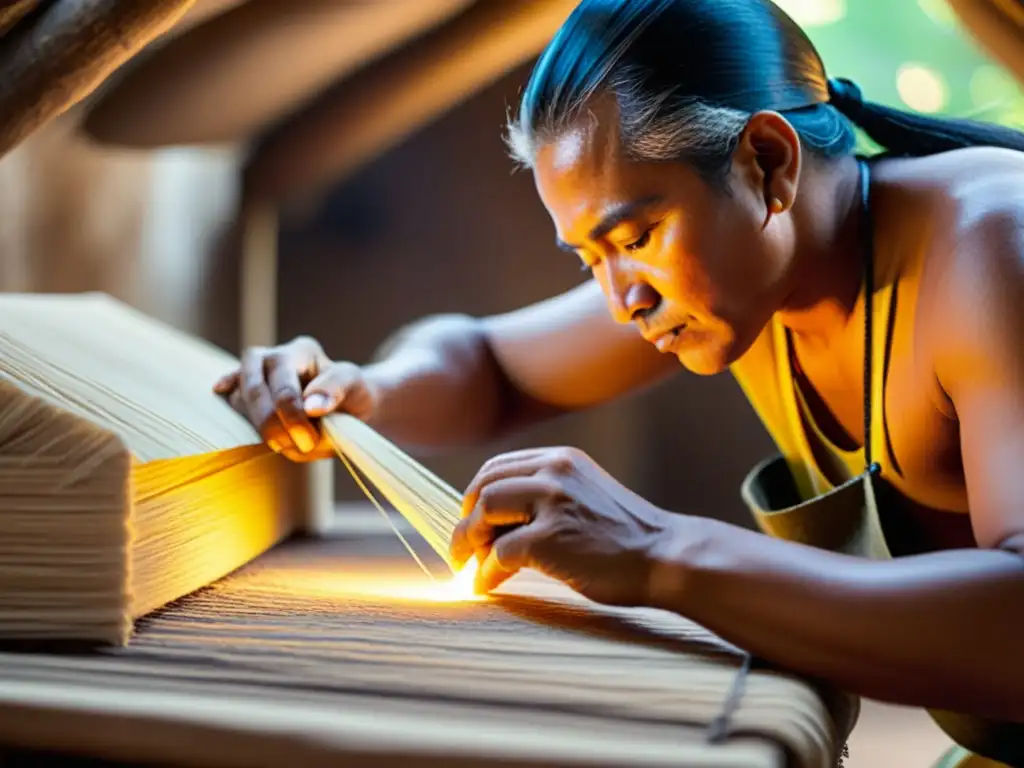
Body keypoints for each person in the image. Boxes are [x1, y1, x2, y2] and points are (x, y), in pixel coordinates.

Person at [214, 0, 1024, 764]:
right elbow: (491, 365)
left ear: (767, 163)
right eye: (590, 258)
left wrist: (661, 552)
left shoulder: (991, 248)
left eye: (635, 236)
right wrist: (366, 390)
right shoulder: (744, 273)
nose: (621, 299)